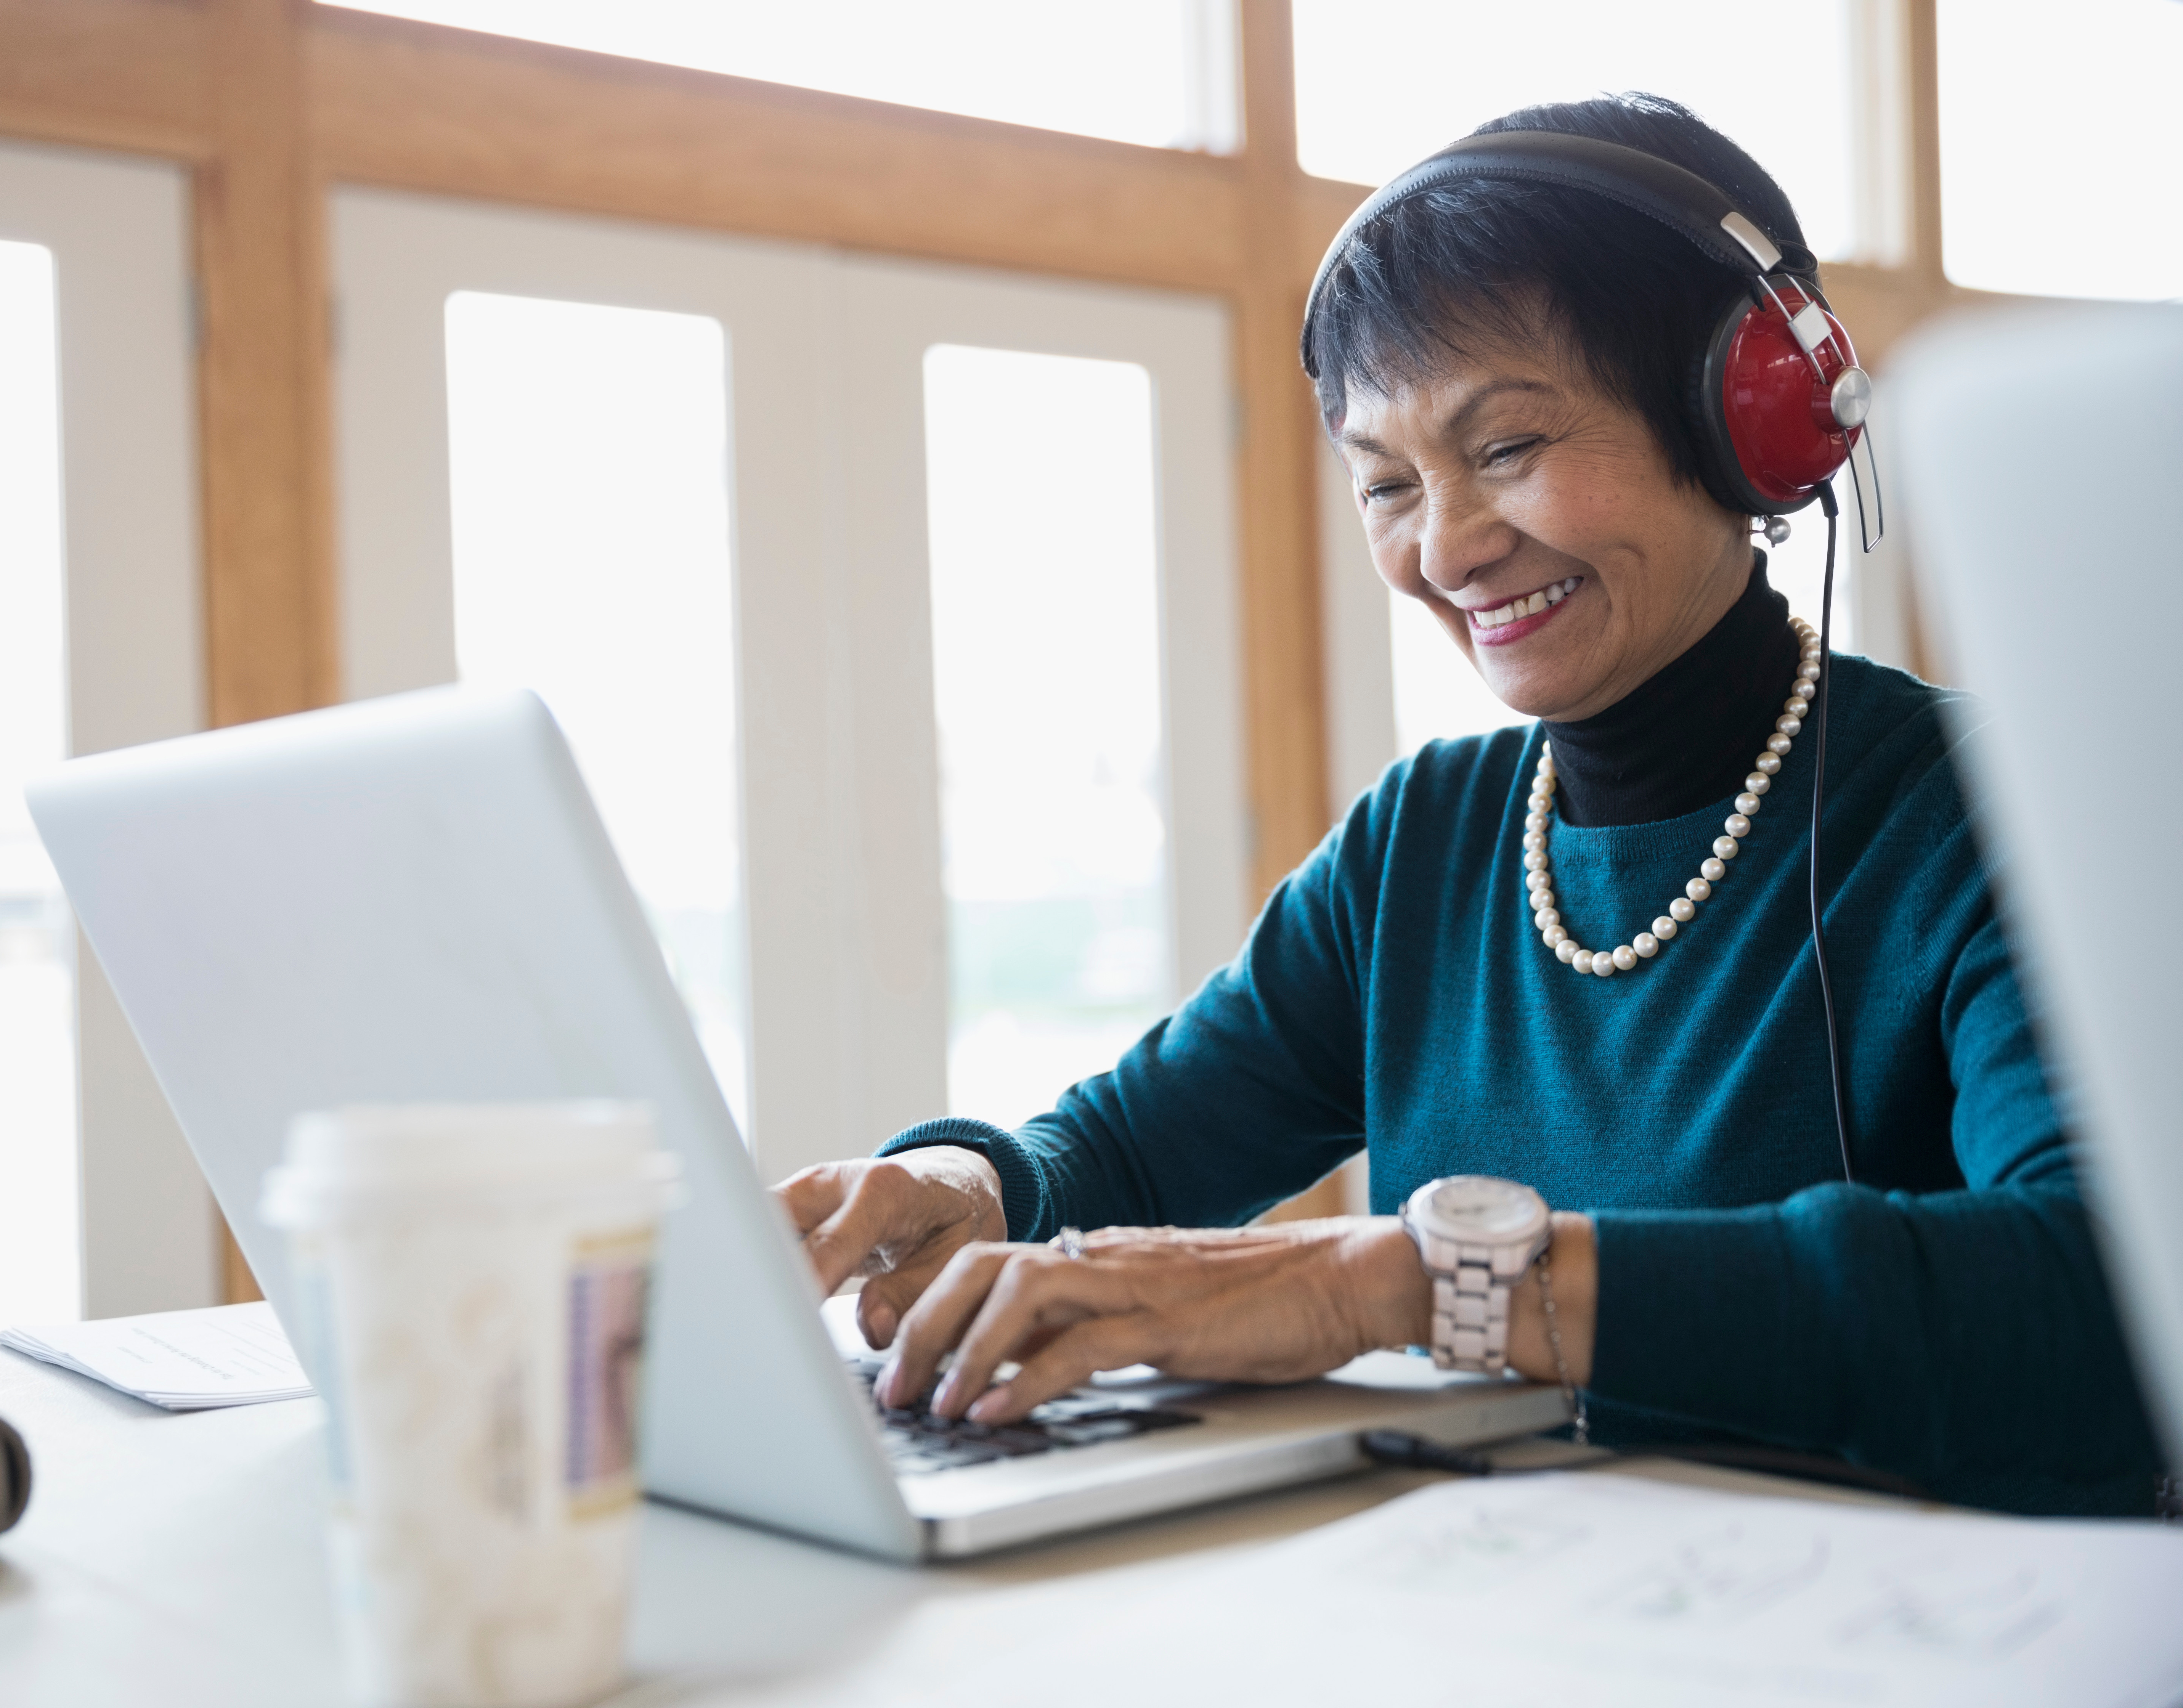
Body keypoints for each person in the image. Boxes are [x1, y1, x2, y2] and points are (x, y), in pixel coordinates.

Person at [772, 93, 2167, 1516]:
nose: (1445, 548)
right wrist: (971, 1188)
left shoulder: (1999, 819)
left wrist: (1407, 1285)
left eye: (1505, 449)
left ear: (1750, 416)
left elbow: (2115, 1315)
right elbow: (1132, 1151)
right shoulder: (1424, 840)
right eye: (1386, 482)